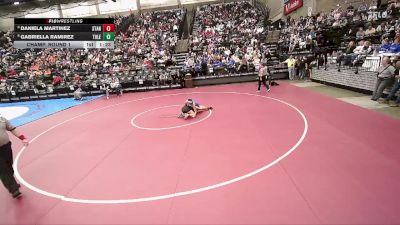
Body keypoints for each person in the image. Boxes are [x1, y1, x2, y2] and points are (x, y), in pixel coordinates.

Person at [0, 115, 29, 198]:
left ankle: (12, 183)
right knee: (3, 170)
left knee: (9, 166)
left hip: (6, 147)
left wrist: (23, 138)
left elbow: (13, 129)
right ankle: (14, 189)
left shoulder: (2, 120)